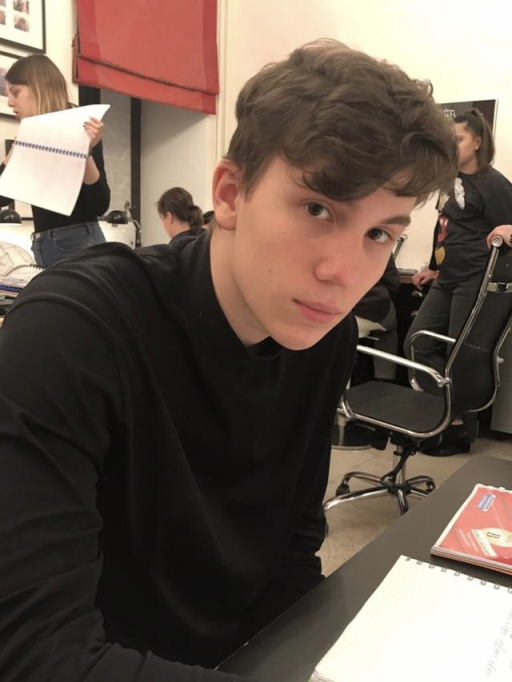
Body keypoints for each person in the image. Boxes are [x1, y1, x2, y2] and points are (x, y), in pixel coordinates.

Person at [0, 40, 457, 681]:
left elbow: (292, 549)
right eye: (318, 208)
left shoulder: (323, 337)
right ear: (231, 193)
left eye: (380, 233)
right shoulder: (72, 331)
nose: (343, 273)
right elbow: (35, 655)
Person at [405, 108, 512, 456]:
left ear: (477, 142)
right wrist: (434, 267)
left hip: (475, 281)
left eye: (459, 138)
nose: (452, 144)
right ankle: (448, 416)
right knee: (418, 343)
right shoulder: (448, 179)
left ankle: (459, 430)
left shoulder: (494, 184)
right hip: (447, 278)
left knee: (460, 357)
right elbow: (446, 228)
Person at [0, 54, 110, 268]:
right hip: (47, 245)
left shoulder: (81, 125)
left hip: (78, 243)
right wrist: (15, 150)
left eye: (15, 92)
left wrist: (85, 151)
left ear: (38, 87)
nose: (10, 102)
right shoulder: (32, 134)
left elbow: (99, 204)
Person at [353, 254, 400, 381]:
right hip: (371, 308)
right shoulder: (378, 244)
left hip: (339, 315)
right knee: (388, 330)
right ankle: (384, 379)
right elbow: (392, 284)